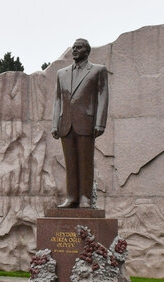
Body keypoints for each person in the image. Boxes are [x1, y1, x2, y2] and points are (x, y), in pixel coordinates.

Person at [51, 38, 109, 208]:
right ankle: (71, 198)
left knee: (85, 161)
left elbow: (102, 97)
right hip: (65, 123)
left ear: (87, 51)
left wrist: (100, 122)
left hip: (86, 123)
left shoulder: (98, 71)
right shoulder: (62, 73)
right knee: (70, 163)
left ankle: (85, 198)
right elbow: (57, 100)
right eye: (73, 48)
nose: (74, 50)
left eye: (78, 48)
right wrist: (55, 123)